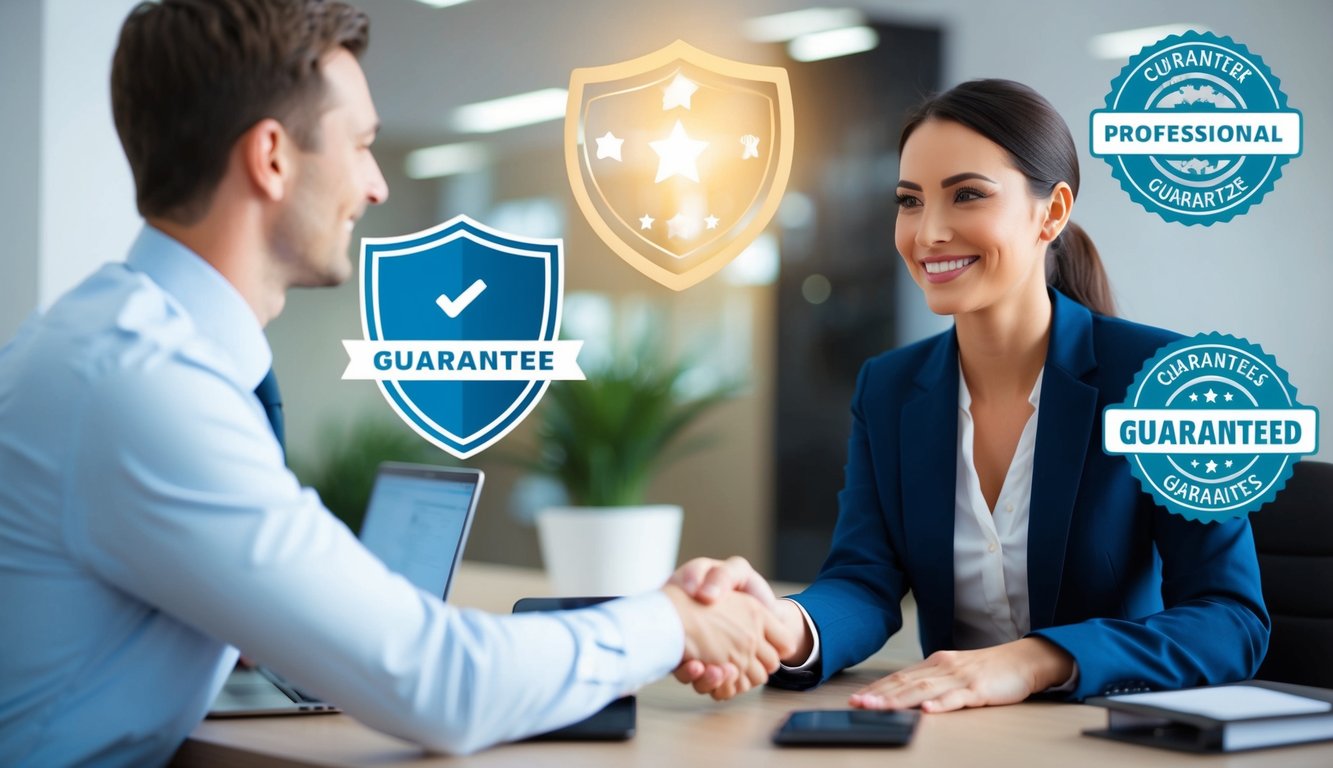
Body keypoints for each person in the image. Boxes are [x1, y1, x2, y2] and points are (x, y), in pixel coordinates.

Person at [0, 1, 792, 764]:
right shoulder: (147, 389)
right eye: (361, 145)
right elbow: (444, 685)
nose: (376, 186)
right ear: (271, 157)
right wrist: (668, 623)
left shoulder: (101, 341)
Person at [670, 79, 1269, 711]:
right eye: (909, 201)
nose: (928, 232)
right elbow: (863, 581)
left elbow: (1230, 619)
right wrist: (778, 626)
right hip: (950, 735)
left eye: (967, 195)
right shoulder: (888, 388)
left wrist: (1032, 661)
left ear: (1053, 212)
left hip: (1104, 738)